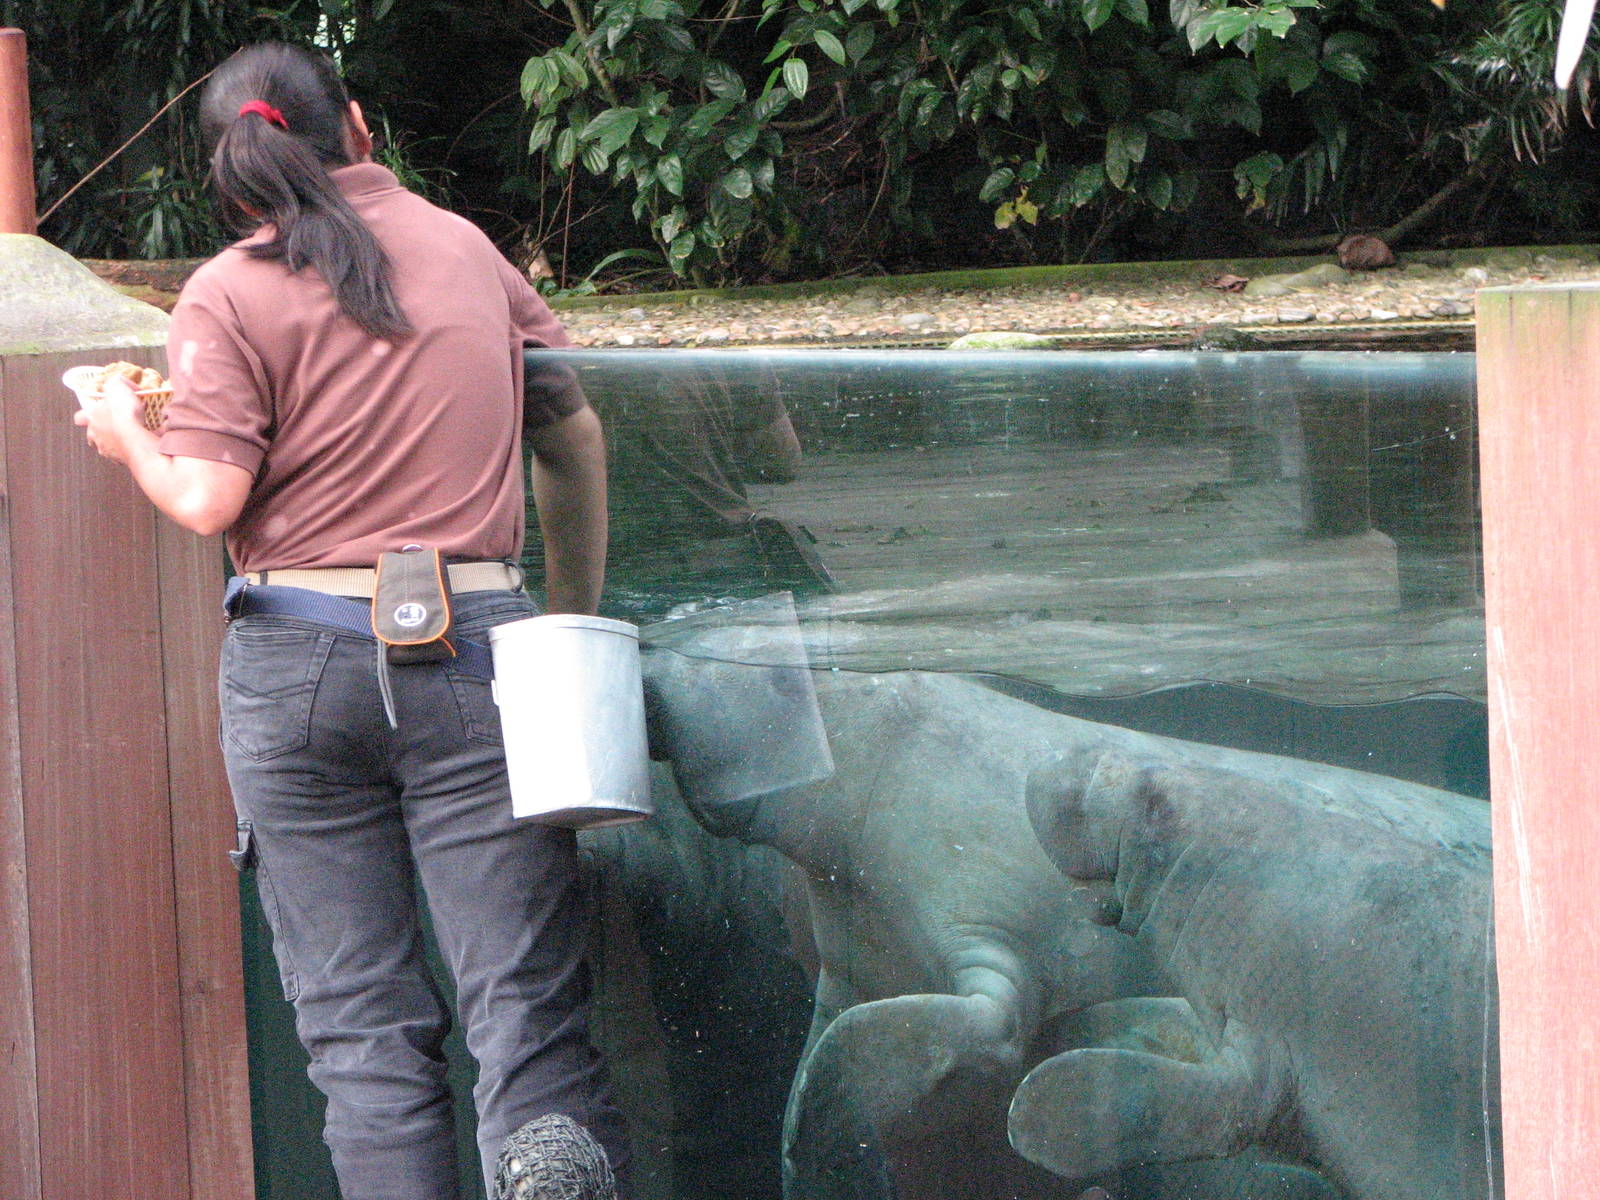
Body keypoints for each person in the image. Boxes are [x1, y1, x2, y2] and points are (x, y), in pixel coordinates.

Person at [74, 42, 628, 1200]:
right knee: (524, 1013)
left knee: (364, 1036)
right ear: (360, 127)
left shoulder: (228, 290)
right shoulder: (468, 250)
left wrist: (125, 429)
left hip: (297, 664)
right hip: (484, 657)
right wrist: (563, 629)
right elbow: (570, 435)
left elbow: (207, 500)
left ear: (236, 183)